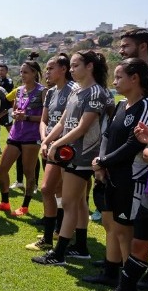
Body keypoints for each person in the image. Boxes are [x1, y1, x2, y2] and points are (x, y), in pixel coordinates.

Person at [84, 58, 148, 287]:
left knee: (129, 236)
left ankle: (127, 284)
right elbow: (107, 136)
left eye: (119, 77)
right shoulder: (120, 105)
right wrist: (101, 164)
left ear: (134, 79)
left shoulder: (147, 105)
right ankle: (116, 276)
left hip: (132, 179)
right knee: (117, 229)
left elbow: (134, 144)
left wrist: (103, 161)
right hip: (112, 177)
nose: (114, 82)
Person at [33, 50, 109, 266]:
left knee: (68, 203)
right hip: (70, 153)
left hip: (84, 155)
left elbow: (83, 127)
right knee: (77, 203)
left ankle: (59, 254)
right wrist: (48, 140)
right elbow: (62, 122)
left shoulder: (96, 92)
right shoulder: (76, 91)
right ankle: (82, 247)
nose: (72, 69)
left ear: (90, 67)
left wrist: (55, 144)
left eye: (75, 66)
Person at [117, 27, 148, 289]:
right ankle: (127, 266)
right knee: (141, 224)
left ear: (142, 47)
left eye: (126, 46)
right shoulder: (128, 90)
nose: (121, 50)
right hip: (146, 154)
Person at [25, 53, 74, 251]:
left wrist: (52, 142)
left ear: (64, 69)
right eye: (46, 68)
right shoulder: (51, 92)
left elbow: (67, 123)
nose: (47, 71)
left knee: (60, 192)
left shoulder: (73, 91)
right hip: (49, 146)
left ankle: (60, 232)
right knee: (49, 189)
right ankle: (50, 235)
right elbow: (44, 120)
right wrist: (45, 141)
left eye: (51, 68)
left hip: (66, 148)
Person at [0, 55, 45, 216]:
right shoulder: (19, 90)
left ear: (34, 73)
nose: (22, 75)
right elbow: (15, 109)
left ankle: (25, 206)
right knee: (2, 168)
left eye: (26, 72)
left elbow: (45, 118)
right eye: (21, 72)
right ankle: (5, 202)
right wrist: (16, 114)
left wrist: (26, 117)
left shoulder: (43, 92)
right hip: (15, 134)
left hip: (31, 137)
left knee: (28, 172)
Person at [0, 64, 14, 152]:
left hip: (7, 109)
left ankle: (15, 142)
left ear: (6, 71)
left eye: (2, 70)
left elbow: (7, 91)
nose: (0, 72)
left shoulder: (9, 81)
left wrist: (0, 85)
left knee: (10, 128)